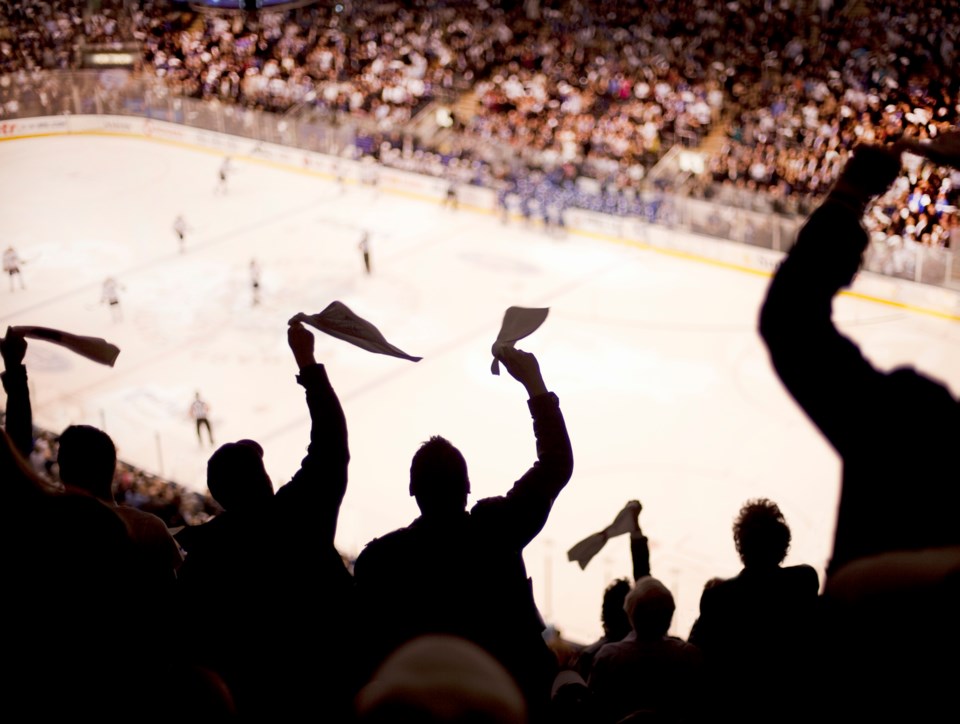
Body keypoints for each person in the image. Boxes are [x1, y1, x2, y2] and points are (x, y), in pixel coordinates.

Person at [759, 135, 960, 717]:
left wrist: (851, 195)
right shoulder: (922, 421)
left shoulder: (916, 426)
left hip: (855, 681)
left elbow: (790, 318)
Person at [354, 347, 573, 720]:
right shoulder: (497, 530)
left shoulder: (380, 561)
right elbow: (555, 465)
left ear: (413, 490)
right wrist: (535, 386)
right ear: (468, 486)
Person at [175, 321, 355, 719]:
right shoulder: (301, 512)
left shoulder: (202, 553)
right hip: (328, 686)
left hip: (253, 700)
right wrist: (306, 362)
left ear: (219, 499)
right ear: (266, 478)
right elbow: (331, 444)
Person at [688, 499, 818, 722]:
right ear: (782, 542)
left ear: (741, 544)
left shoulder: (718, 598)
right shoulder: (802, 583)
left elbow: (695, 656)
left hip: (734, 713)